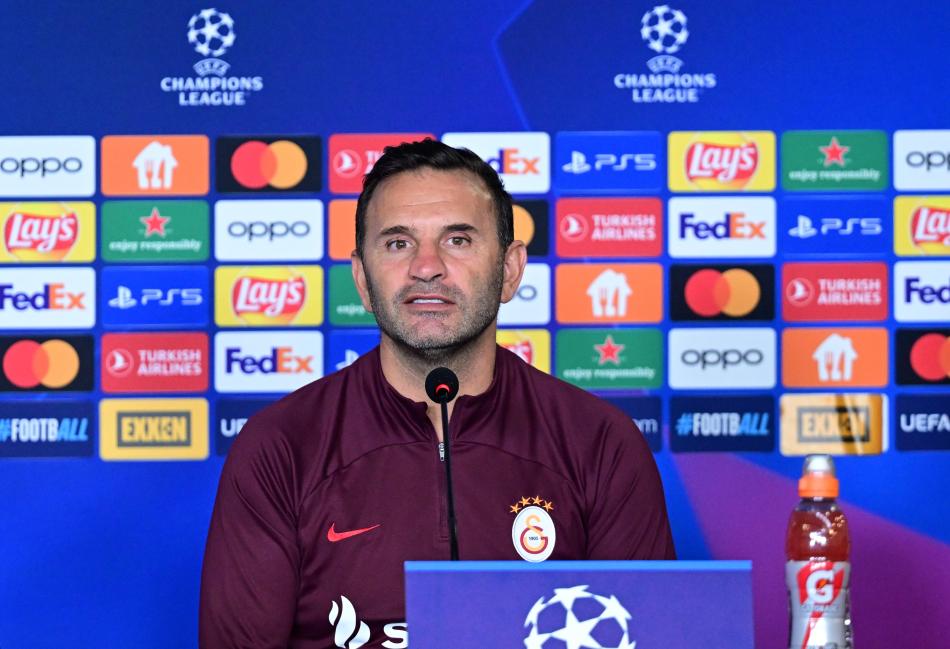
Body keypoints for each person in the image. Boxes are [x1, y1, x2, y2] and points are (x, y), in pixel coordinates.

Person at [199, 139, 675, 648]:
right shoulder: (280, 447)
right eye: (398, 243)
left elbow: (647, 637)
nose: (426, 266)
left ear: (510, 270)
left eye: (458, 240)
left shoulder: (600, 443)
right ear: (362, 278)